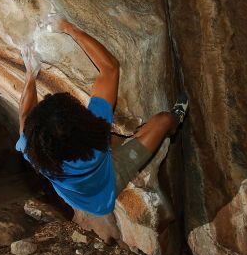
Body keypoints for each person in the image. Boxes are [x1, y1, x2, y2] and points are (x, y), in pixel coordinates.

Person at [16, 14, 188, 216]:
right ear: (84, 123)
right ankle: (176, 123)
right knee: (165, 120)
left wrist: (30, 75)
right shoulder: (95, 140)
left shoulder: (34, 151)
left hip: (78, 198)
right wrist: (68, 28)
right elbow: (110, 69)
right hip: (108, 185)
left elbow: (24, 115)